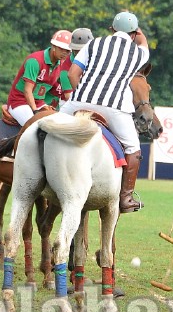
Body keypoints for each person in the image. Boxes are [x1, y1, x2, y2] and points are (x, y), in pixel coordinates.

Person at [60, 11, 150, 213]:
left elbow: (73, 73)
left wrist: (81, 96)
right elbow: (144, 43)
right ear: (134, 33)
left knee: (46, 128)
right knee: (133, 148)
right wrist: (138, 33)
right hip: (113, 108)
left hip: (78, 102)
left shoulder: (94, 44)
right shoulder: (139, 52)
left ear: (112, 29)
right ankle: (126, 198)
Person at [5, 30, 74, 126]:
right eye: (62, 49)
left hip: (39, 102)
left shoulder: (61, 65)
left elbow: (63, 90)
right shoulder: (35, 61)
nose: (64, 53)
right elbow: (27, 90)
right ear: (53, 46)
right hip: (19, 102)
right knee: (35, 126)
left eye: (67, 51)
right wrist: (35, 111)